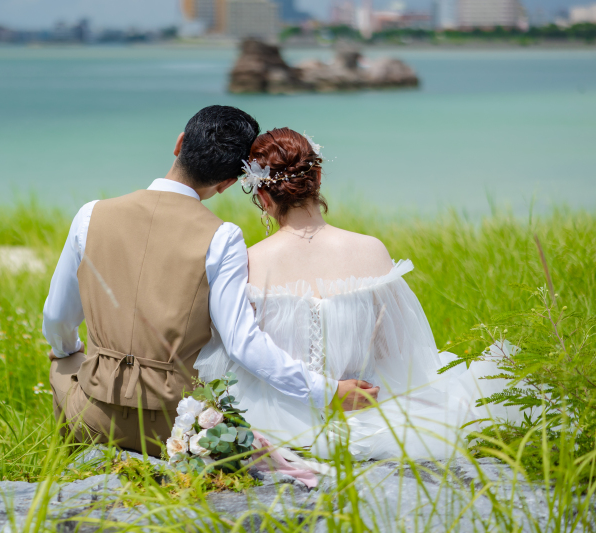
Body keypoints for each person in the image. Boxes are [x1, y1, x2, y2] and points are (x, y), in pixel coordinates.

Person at [42, 107, 376, 457]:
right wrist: (328, 391)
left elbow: (56, 319)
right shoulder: (222, 236)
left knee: (63, 358)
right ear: (228, 183)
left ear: (179, 143)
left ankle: (74, 459)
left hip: (94, 412)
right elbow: (242, 344)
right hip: (173, 428)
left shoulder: (90, 214)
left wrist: (70, 352)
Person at [194, 127, 512, 461]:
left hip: (275, 422)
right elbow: (396, 353)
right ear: (316, 178)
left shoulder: (249, 262)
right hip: (363, 412)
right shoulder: (370, 250)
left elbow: (240, 354)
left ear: (263, 197)